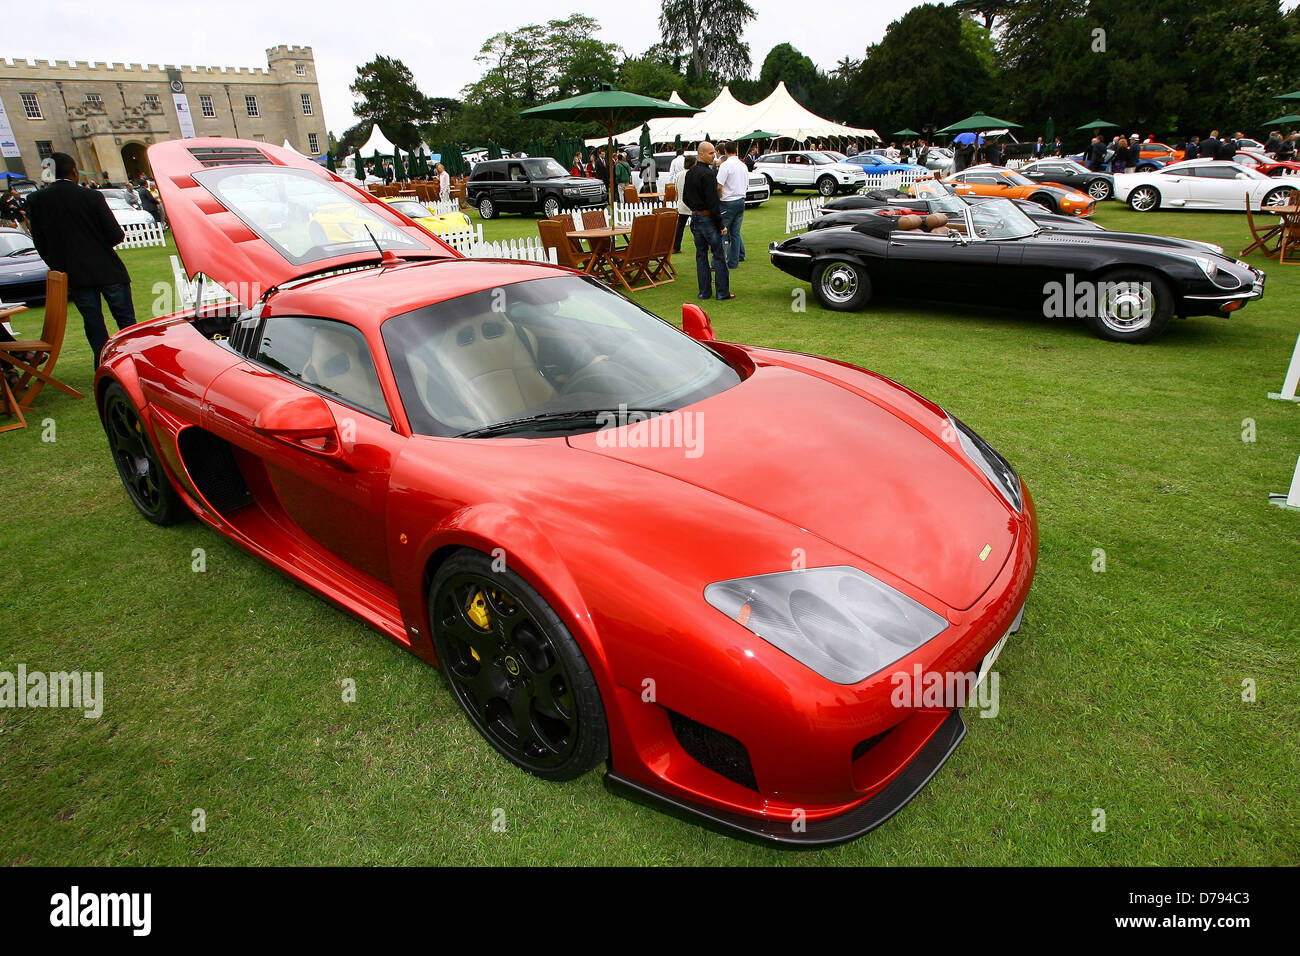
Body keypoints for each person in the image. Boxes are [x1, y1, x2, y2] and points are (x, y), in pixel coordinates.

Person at [26, 152, 135, 365]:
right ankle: (134, 358)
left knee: (93, 322)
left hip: (74, 272)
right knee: (125, 320)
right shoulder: (90, 196)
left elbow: (39, 241)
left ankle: (104, 363)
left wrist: (59, 263)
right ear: (75, 170)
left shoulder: (37, 200)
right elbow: (115, 234)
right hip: (106, 267)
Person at [682, 141, 731, 301]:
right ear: (701, 154)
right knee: (718, 256)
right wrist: (721, 225)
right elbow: (713, 203)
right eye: (711, 153)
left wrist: (695, 209)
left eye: (714, 153)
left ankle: (704, 292)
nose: (714, 156)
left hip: (695, 217)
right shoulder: (709, 175)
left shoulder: (690, 173)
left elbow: (685, 198)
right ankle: (722, 293)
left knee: (701, 256)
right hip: (707, 218)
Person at [717, 141, 748, 270]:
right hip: (741, 199)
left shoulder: (725, 166)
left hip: (728, 201)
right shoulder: (743, 165)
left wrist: (719, 198)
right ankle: (733, 262)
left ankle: (717, 262)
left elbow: (719, 186)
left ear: (725, 151)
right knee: (735, 233)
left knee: (722, 232)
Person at [673, 155, 694, 254]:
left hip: (681, 204)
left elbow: (676, 189)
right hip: (693, 205)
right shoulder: (693, 174)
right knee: (698, 227)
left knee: (680, 228)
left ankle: (676, 247)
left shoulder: (678, 175)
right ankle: (704, 245)